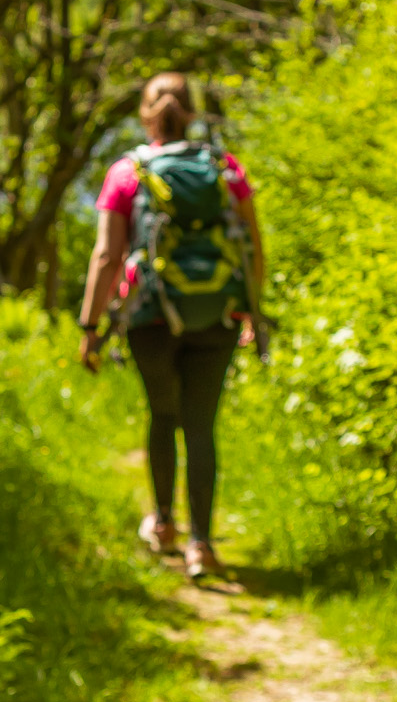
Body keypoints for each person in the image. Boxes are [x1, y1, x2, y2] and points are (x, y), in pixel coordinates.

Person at [77, 71, 266, 583]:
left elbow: (106, 255)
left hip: (149, 315)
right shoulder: (225, 168)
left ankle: (163, 525)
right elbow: (251, 243)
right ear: (194, 109)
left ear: (146, 113)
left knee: (164, 415)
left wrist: (91, 326)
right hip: (218, 313)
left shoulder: (128, 171)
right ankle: (202, 546)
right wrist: (252, 310)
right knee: (201, 425)